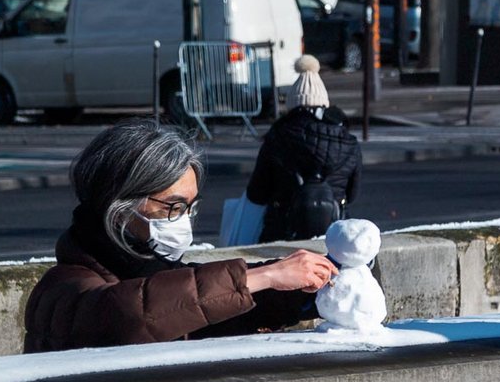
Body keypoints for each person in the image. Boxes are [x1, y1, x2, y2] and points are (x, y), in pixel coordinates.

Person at [24, 118, 336, 353]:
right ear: (120, 207)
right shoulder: (62, 287)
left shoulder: (161, 271)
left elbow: (203, 311)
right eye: (173, 207)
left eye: (190, 208)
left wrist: (301, 293)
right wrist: (267, 275)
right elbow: (135, 315)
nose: (183, 221)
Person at [245, 56, 362, 243]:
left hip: (282, 235)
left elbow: (256, 194)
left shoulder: (277, 137)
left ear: (292, 105)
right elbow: (352, 194)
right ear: (324, 105)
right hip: (333, 236)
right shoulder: (349, 142)